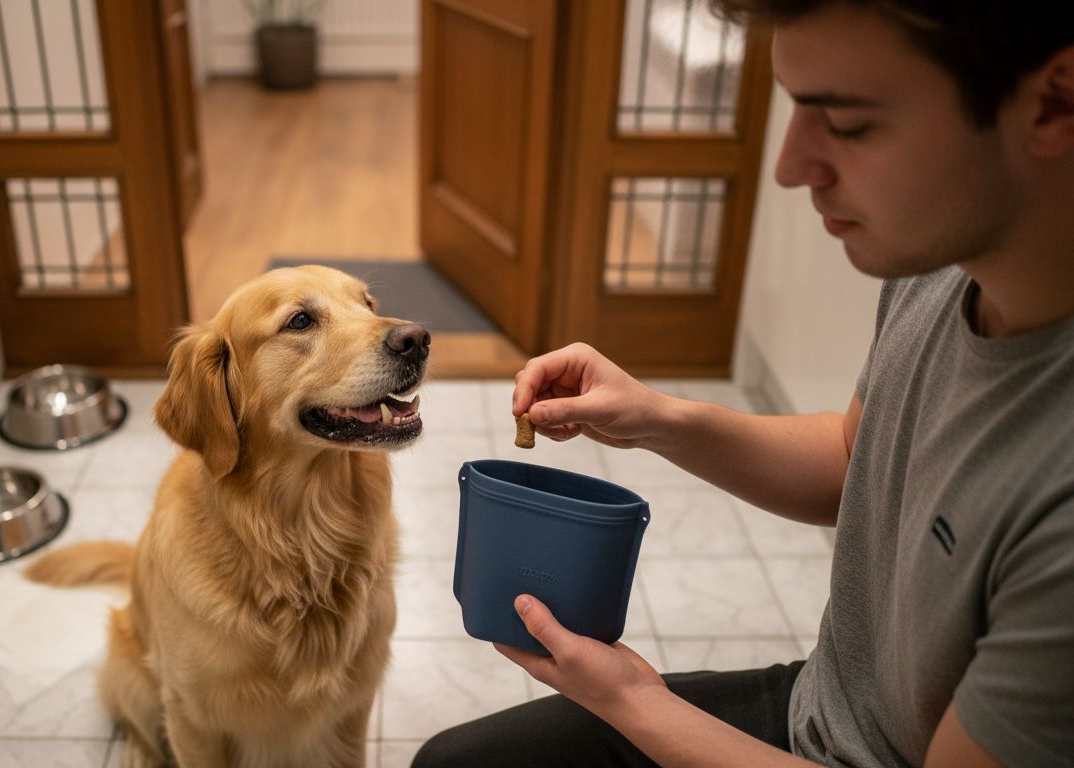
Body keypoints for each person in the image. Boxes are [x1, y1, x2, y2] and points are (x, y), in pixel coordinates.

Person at [412, 0, 1074, 766]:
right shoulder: (943, 265)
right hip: (822, 709)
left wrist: (634, 703)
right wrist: (655, 417)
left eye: (850, 125)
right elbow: (856, 458)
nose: (791, 168)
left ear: (1055, 100)